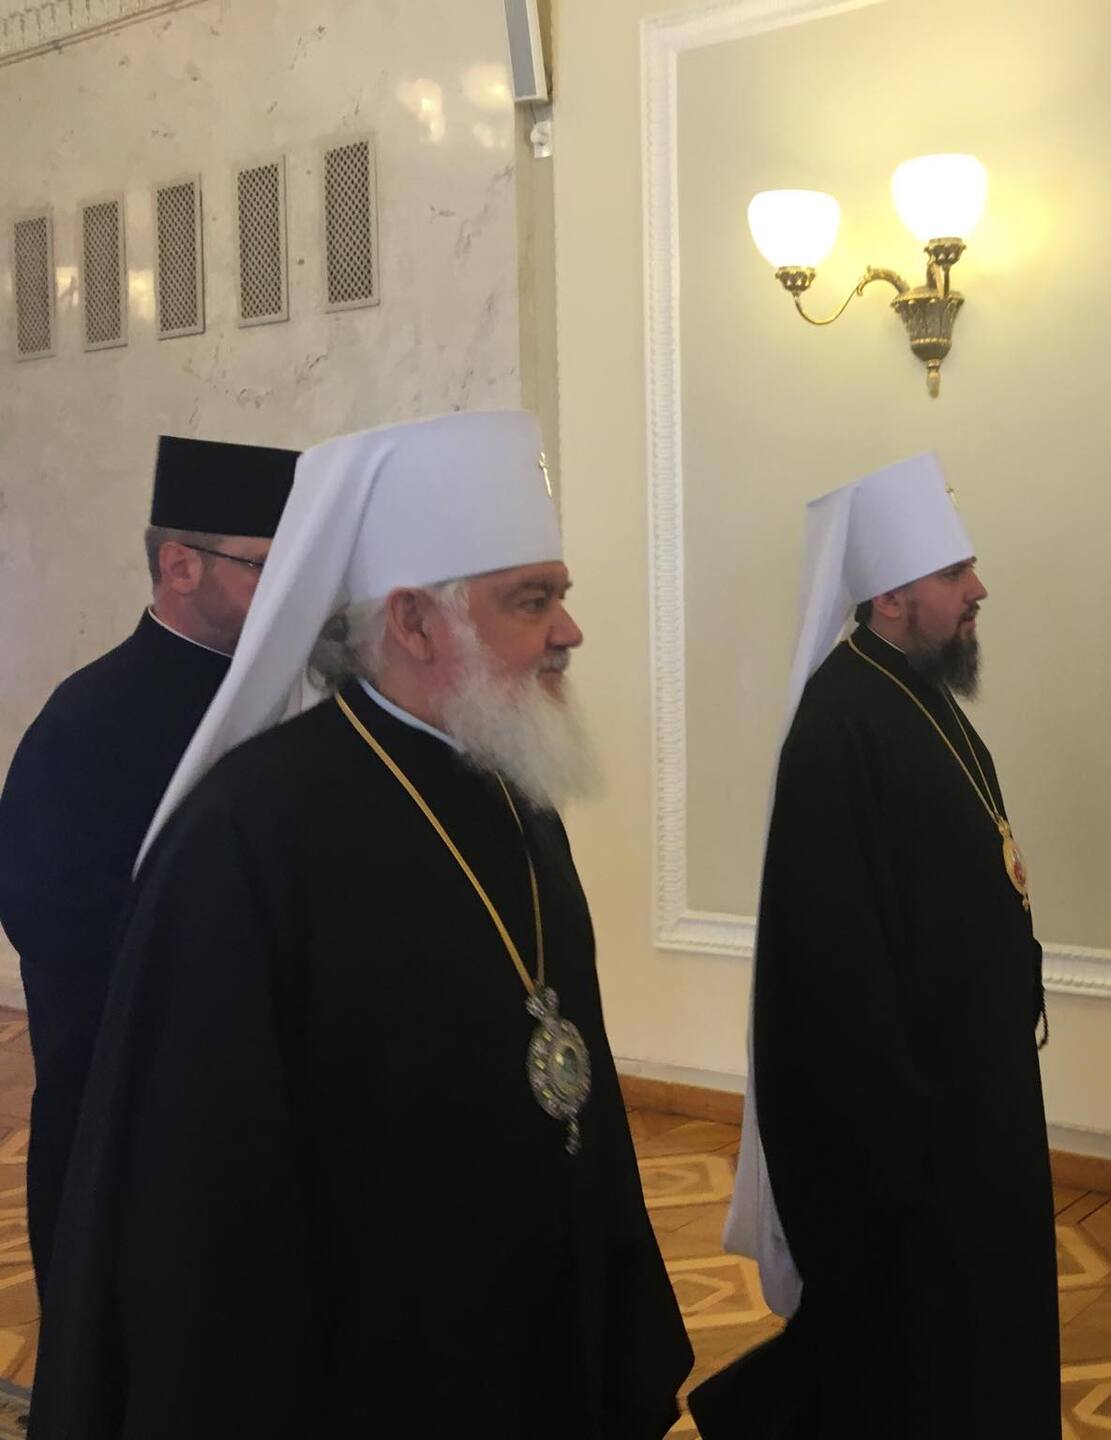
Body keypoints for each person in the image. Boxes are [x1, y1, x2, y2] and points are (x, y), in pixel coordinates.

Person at [30, 411, 692, 1438]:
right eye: (533, 600)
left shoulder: (517, 795)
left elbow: (567, 1060)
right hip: (367, 1366)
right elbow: (206, 1202)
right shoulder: (245, 835)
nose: (568, 630)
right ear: (415, 623)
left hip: (532, 1322)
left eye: (558, 596)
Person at [690, 454, 1059, 1438]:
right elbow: (835, 984)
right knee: (919, 1376)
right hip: (918, 1148)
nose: (979, 590)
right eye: (957, 573)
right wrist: (903, 1163)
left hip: (976, 1112)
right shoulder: (840, 728)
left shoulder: (918, 696)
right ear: (892, 595)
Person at [0, 435, 297, 1298]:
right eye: (263, 567)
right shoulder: (88, 719)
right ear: (179, 566)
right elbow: (48, 915)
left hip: (262, 1094)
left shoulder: (289, 697)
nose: (288, 589)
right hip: (128, 1095)